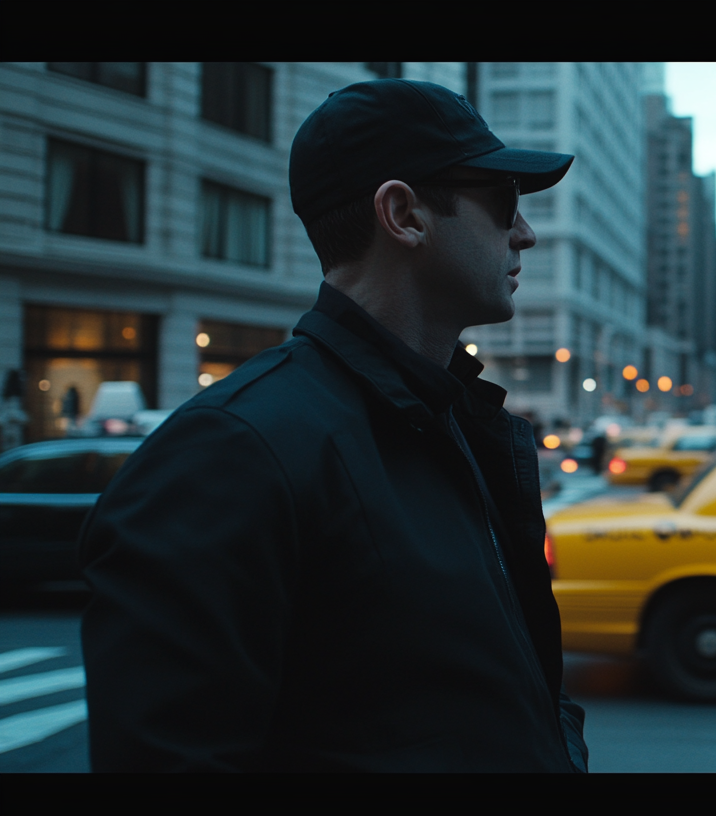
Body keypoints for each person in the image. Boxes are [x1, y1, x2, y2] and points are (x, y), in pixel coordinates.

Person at [80, 79, 587, 772]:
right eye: (503, 202)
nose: (524, 231)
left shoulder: (457, 422)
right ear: (404, 214)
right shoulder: (231, 453)